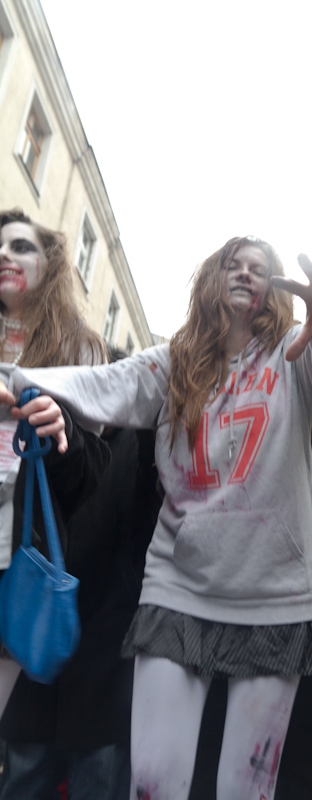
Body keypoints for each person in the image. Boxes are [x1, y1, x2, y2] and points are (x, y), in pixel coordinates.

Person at [0, 236, 312, 800]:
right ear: (211, 278)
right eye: (234, 263)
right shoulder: (172, 364)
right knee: (154, 784)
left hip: (273, 599)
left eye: (260, 268)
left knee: (245, 789)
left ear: (276, 290)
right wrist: (17, 381)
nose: (247, 274)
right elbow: (106, 385)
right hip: (176, 594)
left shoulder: (297, 358)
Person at [0, 348, 161, 800]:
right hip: (43, 644)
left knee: (97, 781)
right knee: (25, 778)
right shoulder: (55, 431)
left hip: (108, 656)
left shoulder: (144, 440)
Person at [0, 209, 109, 723]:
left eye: (21, 247)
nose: (5, 255)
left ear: (52, 264)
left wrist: (57, 426)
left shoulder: (80, 348)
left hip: (16, 553)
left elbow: (93, 476)